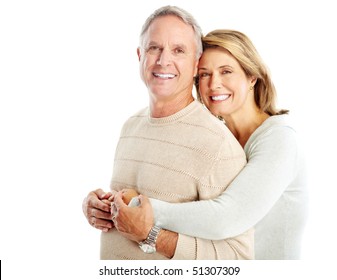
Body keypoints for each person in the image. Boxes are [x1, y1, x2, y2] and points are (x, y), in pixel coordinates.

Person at [111, 29, 308, 260]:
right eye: (204, 74)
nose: (214, 84)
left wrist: (140, 207)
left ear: (252, 77)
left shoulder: (279, 139)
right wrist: (108, 204)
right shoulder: (217, 138)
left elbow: (227, 217)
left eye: (226, 72)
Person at [82, 6, 254, 260]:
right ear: (140, 55)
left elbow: (239, 258)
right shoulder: (131, 126)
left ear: (196, 64)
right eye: (154, 48)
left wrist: (150, 236)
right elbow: (127, 214)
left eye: (178, 50)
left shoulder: (217, 144)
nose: (163, 60)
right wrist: (99, 208)